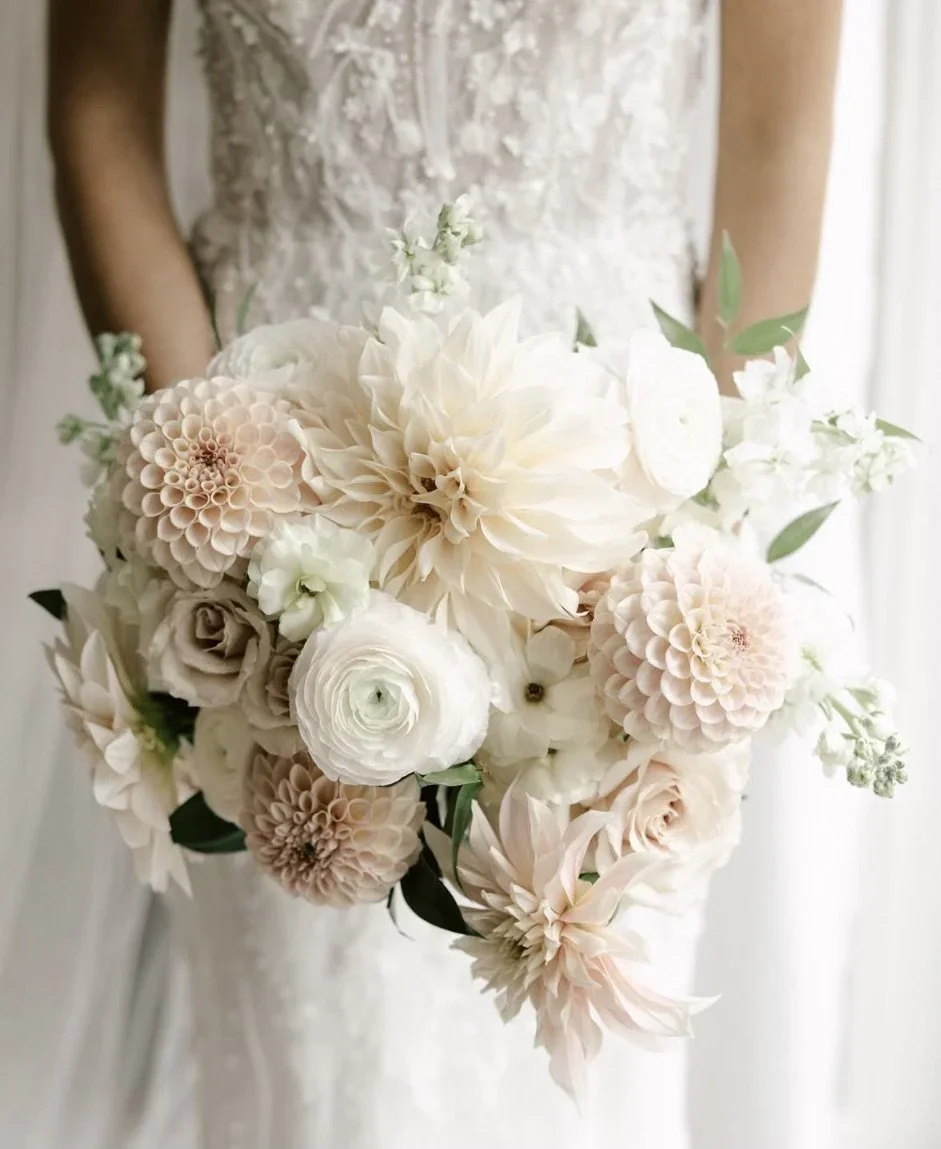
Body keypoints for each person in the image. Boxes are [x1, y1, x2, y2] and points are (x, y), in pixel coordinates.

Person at [46, 1, 842, 1146]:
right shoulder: (234, 544)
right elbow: (99, 111)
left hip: (611, 523)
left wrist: (695, 534)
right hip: (263, 486)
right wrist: (217, 524)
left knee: (571, 1052)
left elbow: (782, 135)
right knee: (320, 1077)